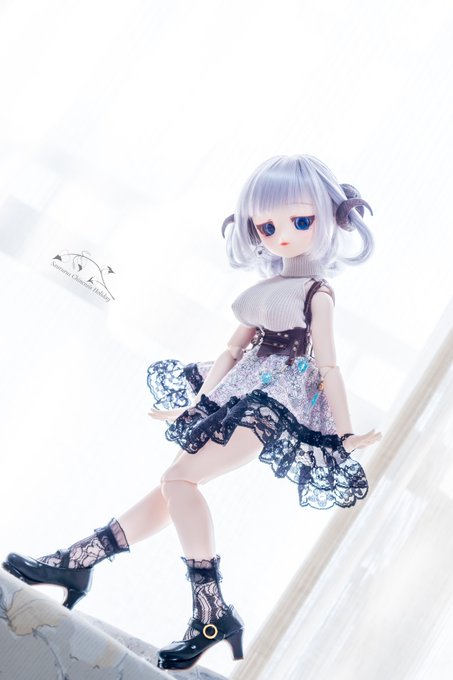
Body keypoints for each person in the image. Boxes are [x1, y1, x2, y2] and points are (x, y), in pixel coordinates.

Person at [2, 154, 382, 671]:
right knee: (173, 484)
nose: (282, 235)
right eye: (267, 226)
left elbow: (331, 367)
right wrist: (198, 401)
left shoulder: (318, 293)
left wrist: (343, 435)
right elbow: (232, 351)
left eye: (300, 220)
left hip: (274, 403)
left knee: (179, 480)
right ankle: (78, 562)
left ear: (328, 217)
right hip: (238, 390)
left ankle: (211, 610)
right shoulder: (264, 291)